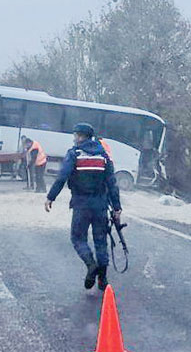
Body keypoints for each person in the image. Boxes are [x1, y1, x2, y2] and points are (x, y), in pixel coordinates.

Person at [45, 123, 122, 291]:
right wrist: (117, 208)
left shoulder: (75, 154)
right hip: (101, 205)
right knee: (101, 242)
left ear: (80, 136)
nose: (74, 138)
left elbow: (61, 177)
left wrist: (51, 197)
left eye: (75, 135)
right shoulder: (103, 156)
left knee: (78, 238)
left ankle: (90, 264)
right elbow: (112, 184)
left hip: (81, 205)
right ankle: (103, 279)